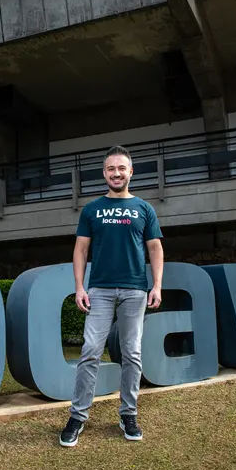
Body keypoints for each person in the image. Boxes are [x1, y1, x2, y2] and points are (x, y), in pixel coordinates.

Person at [59, 145, 164, 447]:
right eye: (110, 169)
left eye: (121, 168)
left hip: (135, 289)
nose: (116, 173)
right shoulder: (91, 209)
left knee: (132, 353)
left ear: (131, 172)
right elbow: (80, 250)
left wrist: (156, 285)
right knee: (90, 350)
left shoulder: (144, 209)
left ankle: (128, 414)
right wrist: (80, 287)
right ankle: (78, 416)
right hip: (100, 290)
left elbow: (155, 248)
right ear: (104, 173)